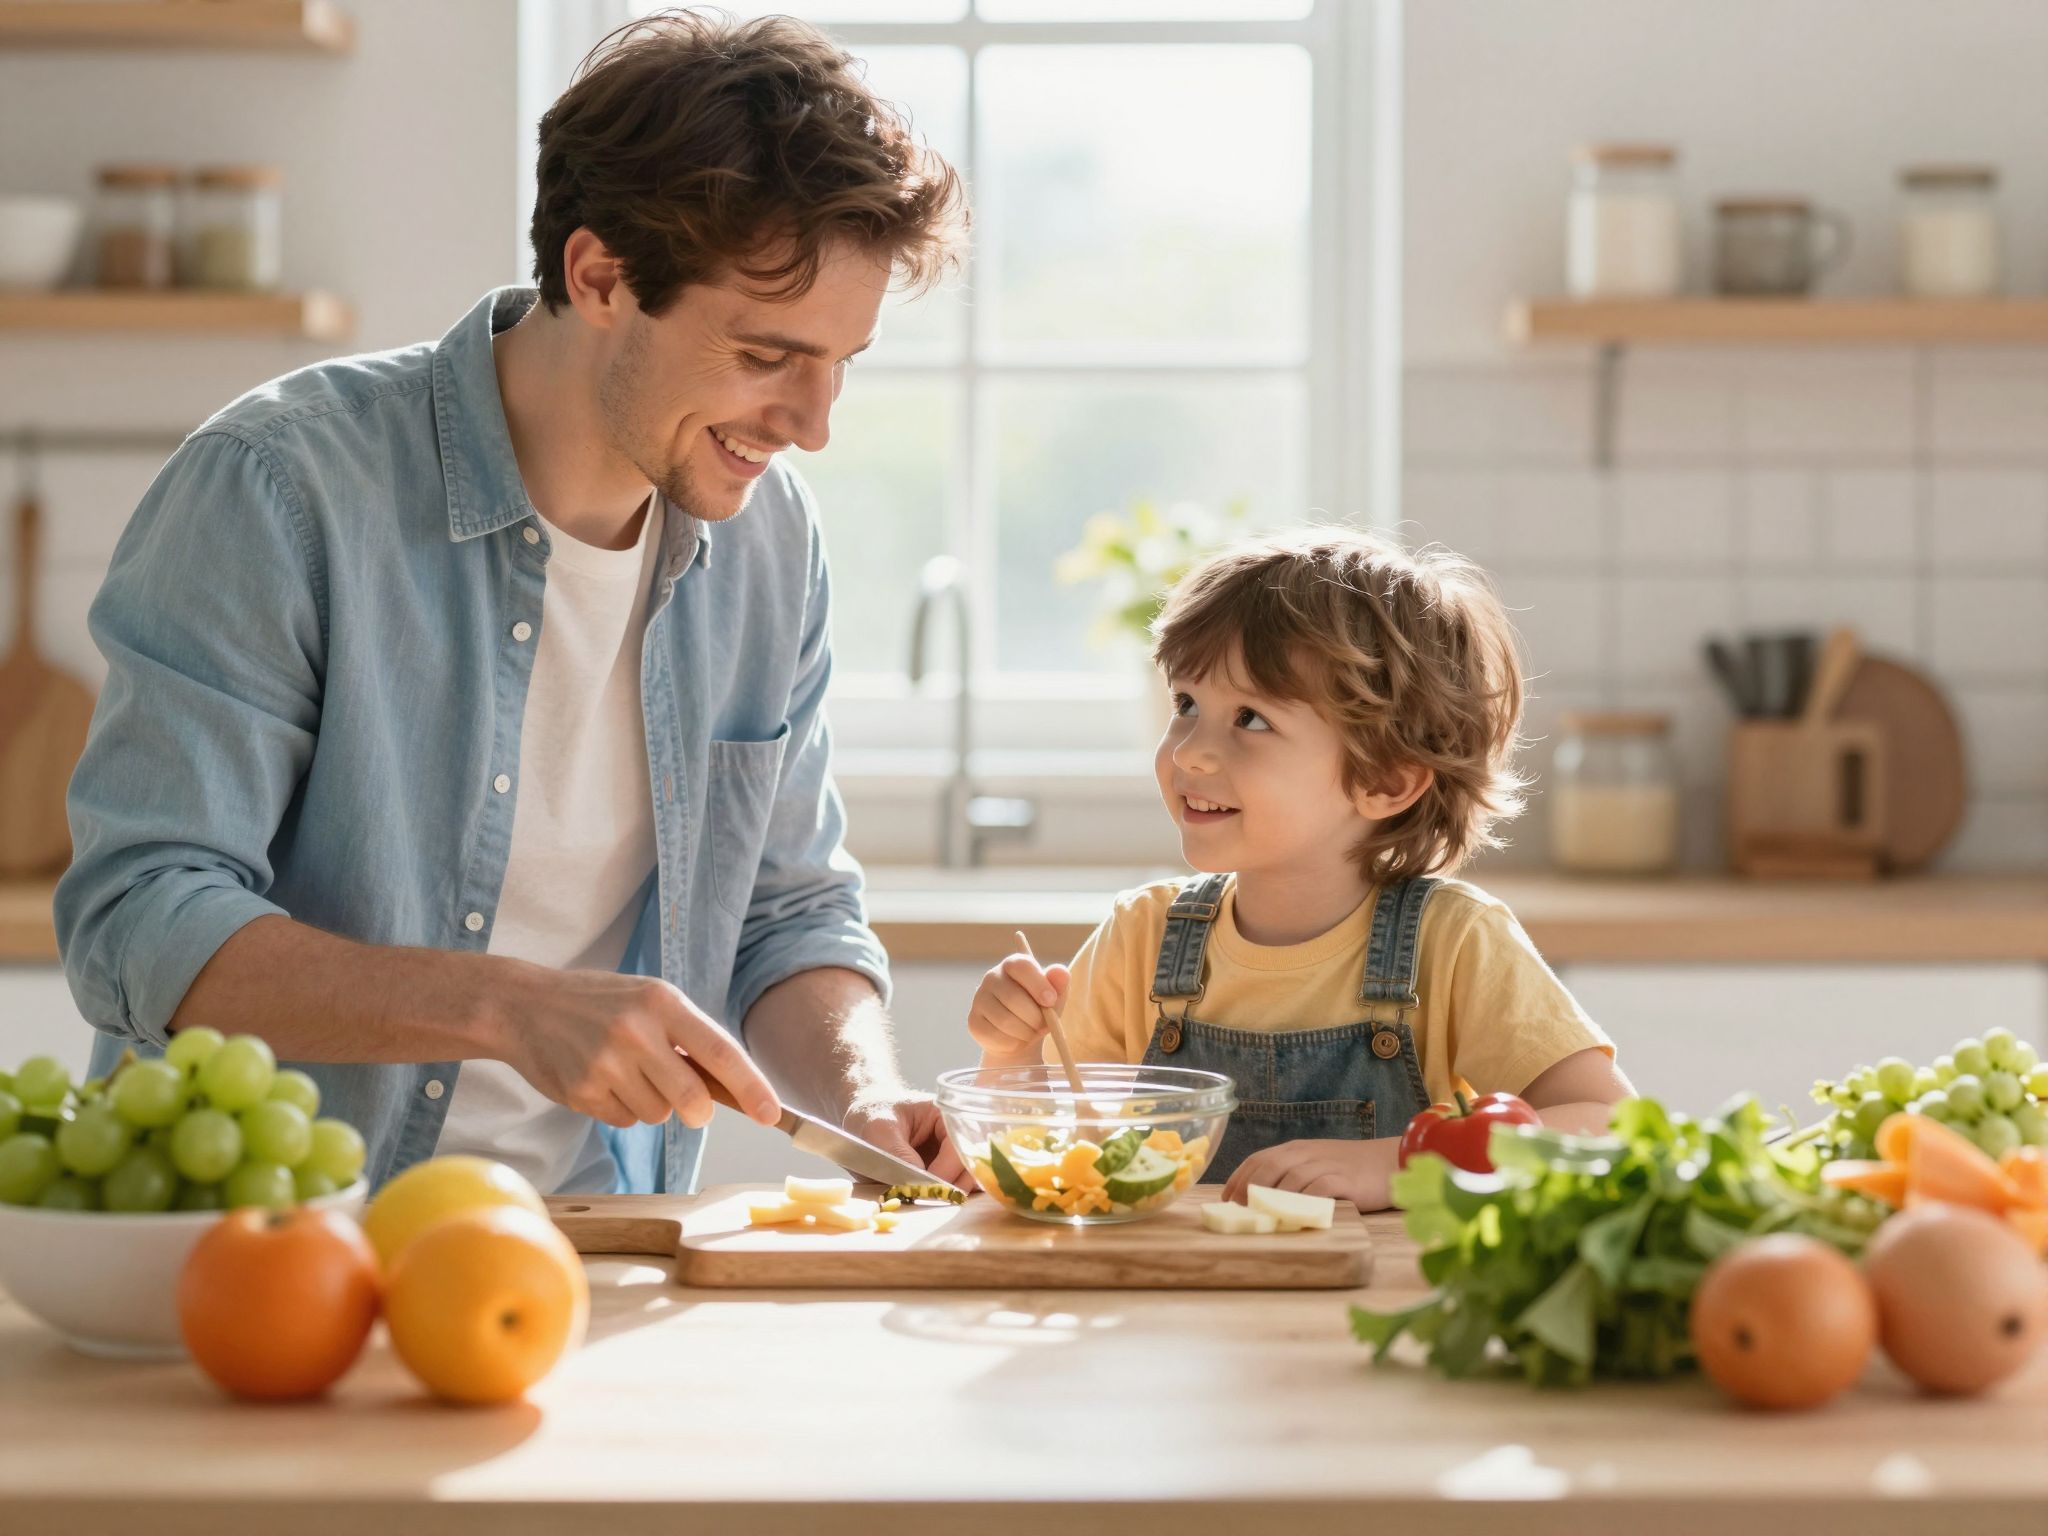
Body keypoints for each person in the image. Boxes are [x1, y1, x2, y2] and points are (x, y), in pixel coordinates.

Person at [55, 10, 969, 1196]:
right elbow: (138, 917)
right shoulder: (281, 489)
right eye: (763, 356)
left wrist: (861, 1099)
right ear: (599, 277)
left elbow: (784, 913)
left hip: (587, 1251)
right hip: (272, 1248)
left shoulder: (768, 541)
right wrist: (505, 1009)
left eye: (838, 364)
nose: (812, 425)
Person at [966, 527, 1631, 1210]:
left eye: (1250, 719)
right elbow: (1056, 1152)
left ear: (1387, 780)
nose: (1191, 750)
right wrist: (1009, 1055)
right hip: (1167, 1306)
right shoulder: (1141, 936)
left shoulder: (1456, 944)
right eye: (1186, 704)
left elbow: (1610, 1130)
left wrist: (1399, 1164)